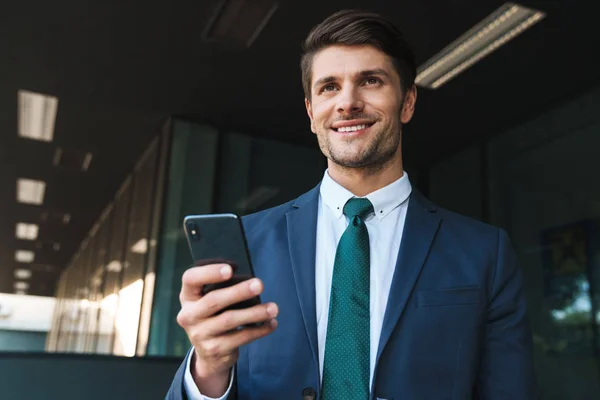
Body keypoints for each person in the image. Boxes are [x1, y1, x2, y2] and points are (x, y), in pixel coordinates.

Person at [167, 9, 538, 400]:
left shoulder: (485, 252)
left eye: (371, 81)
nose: (348, 103)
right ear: (311, 113)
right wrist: (207, 368)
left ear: (407, 102)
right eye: (329, 87)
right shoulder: (249, 243)